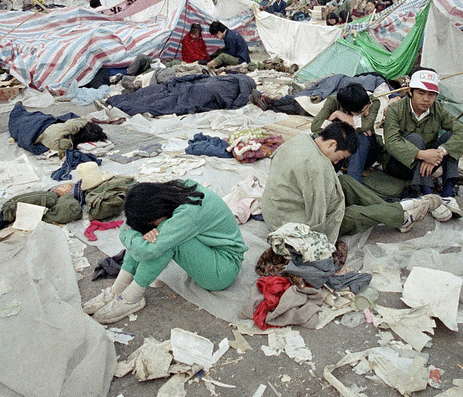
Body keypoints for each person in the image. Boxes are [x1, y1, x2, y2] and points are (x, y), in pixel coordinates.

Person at [84, 179, 247, 324]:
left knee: (163, 242)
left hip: (223, 270)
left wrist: (131, 233)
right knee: (150, 234)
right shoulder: (174, 191)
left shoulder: (187, 214)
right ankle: (117, 289)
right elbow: (131, 223)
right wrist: (136, 232)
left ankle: (132, 298)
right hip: (210, 251)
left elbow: (146, 252)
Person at [262, 122, 444, 243]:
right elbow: (317, 217)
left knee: (345, 182)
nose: (335, 162)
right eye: (339, 157)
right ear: (332, 144)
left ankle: (397, 214)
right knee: (352, 215)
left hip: (280, 208)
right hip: (288, 223)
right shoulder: (315, 167)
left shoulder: (302, 140)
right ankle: (401, 214)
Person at [383, 68, 463, 202]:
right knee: (415, 138)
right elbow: (391, 142)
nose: (426, 99)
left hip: (429, 162)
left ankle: (448, 192)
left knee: (450, 135)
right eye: (421, 93)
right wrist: (422, 155)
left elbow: (462, 132)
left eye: (431, 94)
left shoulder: (437, 109)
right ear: (410, 91)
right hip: (399, 164)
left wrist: (440, 152)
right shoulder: (395, 109)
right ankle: (427, 192)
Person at [311, 83, 379, 182]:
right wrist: (348, 124)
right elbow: (316, 126)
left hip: (365, 153)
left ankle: (353, 183)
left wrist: (338, 115)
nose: (367, 113)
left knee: (359, 136)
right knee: (318, 139)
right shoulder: (333, 101)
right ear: (347, 109)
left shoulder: (373, 102)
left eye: (367, 108)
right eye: (361, 112)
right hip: (339, 150)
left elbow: (365, 125)